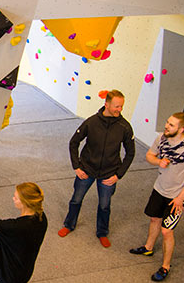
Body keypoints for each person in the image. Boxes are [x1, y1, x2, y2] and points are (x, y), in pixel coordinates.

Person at [129, 112, 184, 281]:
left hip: (177, 195)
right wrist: (158, 162)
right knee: (154, 219)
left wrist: (180, 197)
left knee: (167, 231)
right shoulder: (162, 138)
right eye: (167, 122)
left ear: (181, 128)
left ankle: (165, 266)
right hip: (159, 188)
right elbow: (149, 155)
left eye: (171, 125)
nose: (166, 126)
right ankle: (148, 247)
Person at [58, 90, 135, 248]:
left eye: (121, 106)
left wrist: (118, 175)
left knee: (104, 205)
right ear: (106, 104)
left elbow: (131, 152)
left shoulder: (125, 127)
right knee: (76, 200)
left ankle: (102, 232)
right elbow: (74, 142)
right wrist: (77, 166)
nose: (119, 110)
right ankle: (69, 225)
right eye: (116, 106)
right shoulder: (91, 122)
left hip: (109, 174)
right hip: (86, 170)